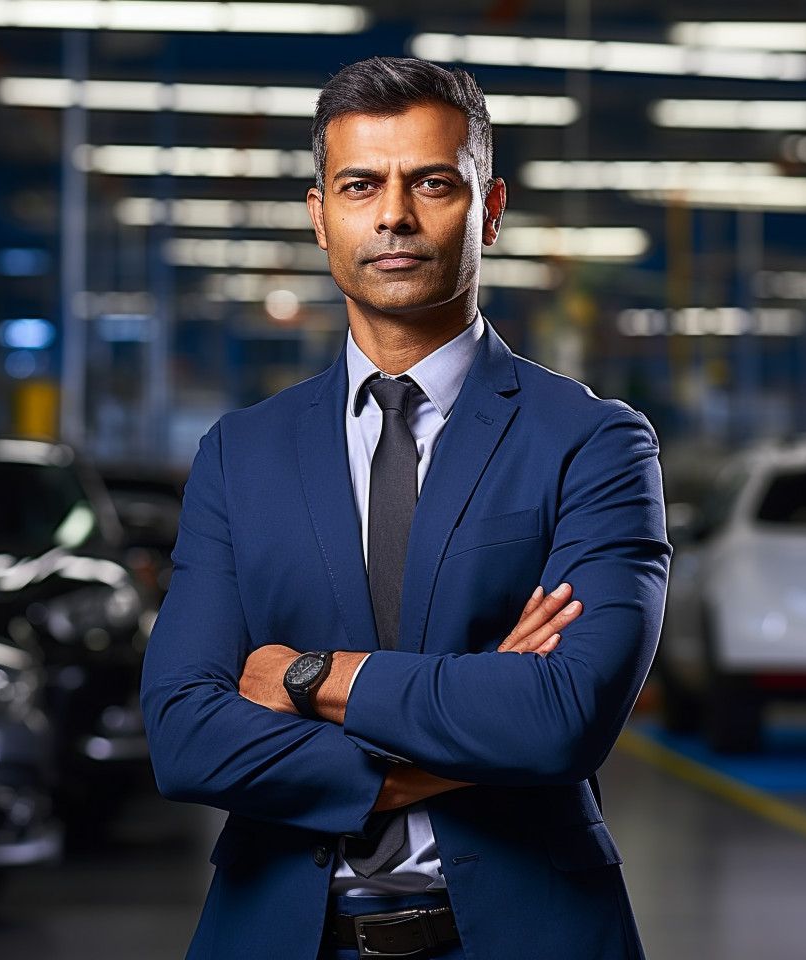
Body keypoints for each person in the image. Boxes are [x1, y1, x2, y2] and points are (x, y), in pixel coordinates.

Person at [141, 56, 670, 960]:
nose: (394, 215)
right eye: (360, 185)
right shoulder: (240, 455)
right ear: (320, 216)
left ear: (490, 210)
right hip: (277, 934)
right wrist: (460, 734)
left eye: (432, 182)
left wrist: (307, 678)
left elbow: (562, 717)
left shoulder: (592, 442)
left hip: (525, 934)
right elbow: (186, 737)